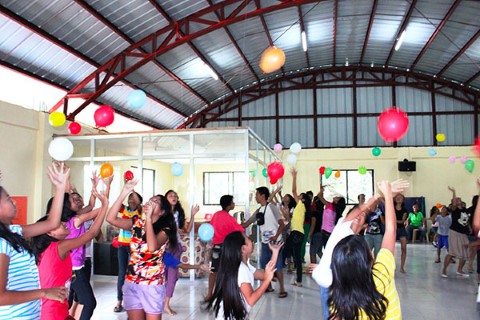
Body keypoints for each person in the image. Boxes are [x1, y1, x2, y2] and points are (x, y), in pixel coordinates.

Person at [311, 179, 408, 320]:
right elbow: (390, 230)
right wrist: (383, 194)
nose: (358, 216)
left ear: (364, 226)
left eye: (362, 217)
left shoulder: (342, 294)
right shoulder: (381, 275)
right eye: (356, 214)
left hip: (335, 281)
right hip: (331, 279)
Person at [0, 163, 69, 318]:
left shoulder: (15, 232)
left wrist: (59, 188)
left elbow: (51, 223)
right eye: (8, 199)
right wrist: (44, 292)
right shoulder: (1, 243)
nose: (14, 202)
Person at [32, 185, 108, 320]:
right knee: (89, 302)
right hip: (52, 313)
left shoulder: (50, 247)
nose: (64, 225)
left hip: (57, 310)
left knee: (73, 302)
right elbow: (91, 234)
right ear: (50, 232)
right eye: (60, 225)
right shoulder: (59, 246)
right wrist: (105, 204)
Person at [106, 179, 176, 320]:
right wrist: (123, 193)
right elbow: (111, 218)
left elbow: (152, 247)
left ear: (162, 212)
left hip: (152, 285)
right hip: (132, 282)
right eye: (150, 200)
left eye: (155, 202)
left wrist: (148, 220)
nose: (150, 202)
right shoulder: (136, 223)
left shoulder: (165, 230)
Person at [205, 231, 282, 320]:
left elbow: (265, 274)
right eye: (248, 239)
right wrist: (267, 281)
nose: (251, 241)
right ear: (243, 249)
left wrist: (275, 253)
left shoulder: (244, 266)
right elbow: (251, 300)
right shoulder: (241, 269)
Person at [66, 173, 112, 320]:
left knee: (73, 299)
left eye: (79, 197)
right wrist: (106, 195)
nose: (78, 199)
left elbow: (92, 206)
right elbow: (98, 210)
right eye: (74, 199)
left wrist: (94, 187)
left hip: (79, 263)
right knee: (85, 301)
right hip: (73, 267)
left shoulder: (78, 216)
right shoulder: (76, 219)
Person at [242, 186, 287, 298]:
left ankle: (282, 288)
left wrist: (275, 236)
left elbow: (282, 224)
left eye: (257, 194)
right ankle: (269, 286)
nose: (256, 196)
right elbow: (247, 223)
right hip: (265, 242)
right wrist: (234, 225)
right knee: (265, 264)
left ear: (262, 196)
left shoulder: (272, 208)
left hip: (276, 242)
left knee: (278, 266)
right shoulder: (259, 211)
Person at [163, 189, 199, 315]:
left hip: (175, 247)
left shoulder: (179, 213)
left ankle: (166, 304)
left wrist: (193, 215)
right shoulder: (161, 212)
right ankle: (161, 300)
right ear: (165, 198)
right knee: (163, 277)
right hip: (162, 248)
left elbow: (188, 230)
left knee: (172, 277)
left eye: (176, 196)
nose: (174, 197)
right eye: (171, 195)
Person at [206, 195, 245, 301]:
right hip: (226, 247)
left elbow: (211, 228)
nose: (234, 204)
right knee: (227, 271)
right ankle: (224, 294)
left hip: (216, 247)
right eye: (232, 202)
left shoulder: (216, 215)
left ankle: (209, 294)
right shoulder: (229, 218)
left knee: (213, 271)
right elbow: (240, 230)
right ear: (229, 205)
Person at [114, 190, 142, 313]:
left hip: (134, 247)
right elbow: (117, 202)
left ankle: (134, 300)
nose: (131, 199)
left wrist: (132, 190)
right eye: (129, 198)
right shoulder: (124, 209)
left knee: (134, 273)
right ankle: (119, 301)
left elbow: (139, 202)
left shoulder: (139, 211)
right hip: (122, 245)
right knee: (121, 274)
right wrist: (126, 191)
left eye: (133, 198)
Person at [284, 168, 310, 287]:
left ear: (303, 199)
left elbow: (293, 190)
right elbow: (290, 219)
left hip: (295, 234)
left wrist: (294, 176)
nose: (297, 196)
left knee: (283, 252)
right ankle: (298, 281)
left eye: (300, 196)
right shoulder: (300, 208)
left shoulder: (300, 204)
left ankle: (274, 273)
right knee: (297, 258)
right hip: (299, 234)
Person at [442, 186, 471, 278]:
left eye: (459, 199)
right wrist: (454, 191)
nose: (458, 200)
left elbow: (467, 221)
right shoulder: (455, 210)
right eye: (456, 199)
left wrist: (469, 227)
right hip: (454, 232)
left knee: (464, 252)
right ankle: (444, 270)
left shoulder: (465, 210)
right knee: (452, 252)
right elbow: (454, 203)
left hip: (463, 233)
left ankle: (459, 270)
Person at [316, 187, 346, 258]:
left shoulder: (329, 205)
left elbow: (319, 196)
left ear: (338, 201)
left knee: (327, 251)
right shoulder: (338, 211)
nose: (335, 197)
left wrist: (321, 190)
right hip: (332, 232)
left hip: (325, 232)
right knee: (331, 251)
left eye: (337, 198)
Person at [394, 193, 408, 273]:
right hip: (394, 229)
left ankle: (402, 267)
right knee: (390, 249)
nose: (399, 199)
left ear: (403, 200)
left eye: (401, 198)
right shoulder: (392, 208)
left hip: (401, 229)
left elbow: (402, 221)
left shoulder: (405, 210)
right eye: (397, 197)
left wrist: (393, 220)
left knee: (404, 249)